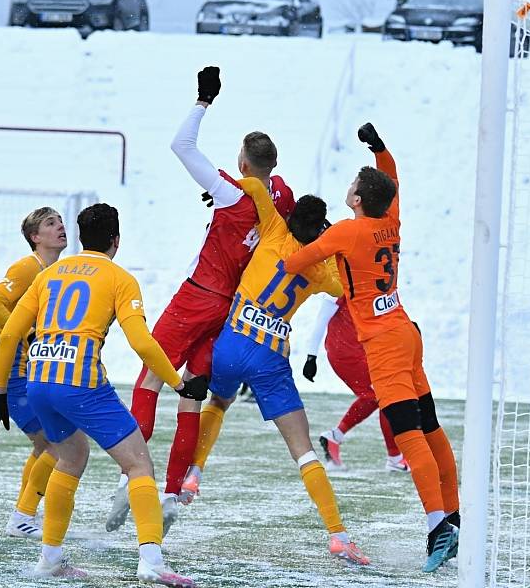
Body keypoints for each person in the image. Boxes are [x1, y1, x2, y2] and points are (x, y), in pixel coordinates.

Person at [107, 66, 295, 534]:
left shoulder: (232, 193)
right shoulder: (281, 197)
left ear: (244, 166)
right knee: (191, 395)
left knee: (149, 381)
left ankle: (131, 478)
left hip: (199, 296)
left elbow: (182, 146)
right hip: (232, 309)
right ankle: (172, 492)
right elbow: (278, 200)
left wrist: (203, 100)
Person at [0, 203, 205, 586]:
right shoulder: (119, 278)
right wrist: (180, 384)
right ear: (116, 240)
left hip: (39, 380)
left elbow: (12, 334)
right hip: (80, 381)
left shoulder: (50, 274)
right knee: (138, 465)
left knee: (70, 457)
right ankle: (151, 560)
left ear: (81, 238)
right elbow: (143, 344)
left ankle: (49, 558)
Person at [283, 123, 460, 572]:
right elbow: (392, 177)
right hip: (406, 332)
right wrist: (379, 147)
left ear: (359, 199)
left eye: (353, 185)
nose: (349, 188)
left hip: (383, 346)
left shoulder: (348, 232)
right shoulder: (390, 220)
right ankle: (454, 514)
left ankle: (438, 526)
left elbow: (295, 262)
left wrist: (299, 232)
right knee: (431, 426)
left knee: (407, 433)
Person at [181, 177, 369, 565]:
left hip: (233, 342)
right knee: (302, 452)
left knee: (218, 401)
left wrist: (227, 181)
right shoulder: (318, 267)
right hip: (270, 356)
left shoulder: (272, 228)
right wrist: (331, 246)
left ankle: (193, 472)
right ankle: (338, 536)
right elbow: (342, 287)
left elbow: (256, 186)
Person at [0, 206, 67, 539]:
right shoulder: (28, 267)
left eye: (60, 221)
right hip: (14, 376)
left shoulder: (53, 270)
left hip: (31, 375)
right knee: (58, 446)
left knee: (47, 445)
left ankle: (23, 513)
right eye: (50, 223)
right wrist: (26, 332)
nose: (60, 226)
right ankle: (23, 516)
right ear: (35, 237)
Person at [302, 295, 408, 472]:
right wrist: (311, 357)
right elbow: (321, 321)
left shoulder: (365, 278)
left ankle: (334, 436)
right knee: (385, 396)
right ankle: (394, 458)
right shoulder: (337, 284)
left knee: (376, 397)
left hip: (363, 350)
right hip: (345, 353)